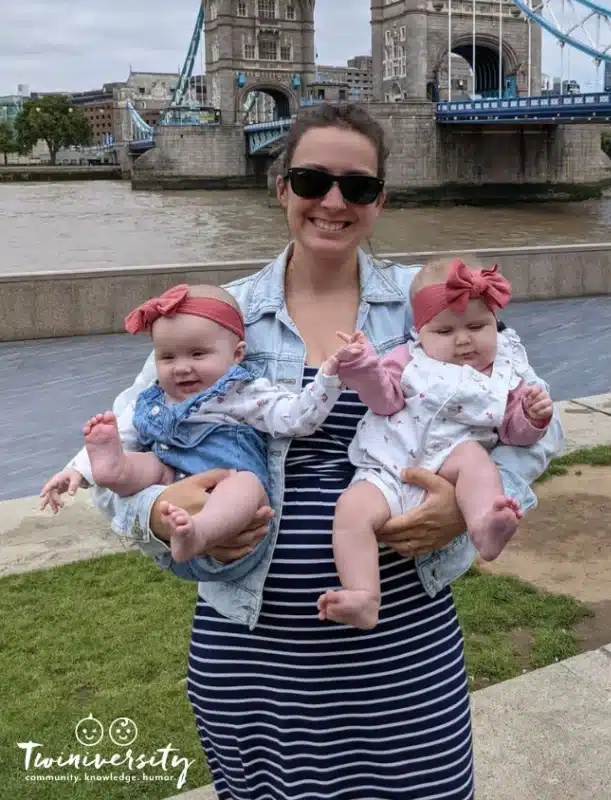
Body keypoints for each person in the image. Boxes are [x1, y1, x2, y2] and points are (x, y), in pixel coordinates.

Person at [62, 103, 564, 800]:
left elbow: (536, 421)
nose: (333, 202)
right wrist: (153, 510)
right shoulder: (214, 315)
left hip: (400, 638)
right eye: (311, 181)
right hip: (251, 644)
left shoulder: (430, 304)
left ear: (380, 201)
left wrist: (465, 505)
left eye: (356, 187)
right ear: (281, 189)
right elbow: (124, 442)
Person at [41, 283, 347, 570]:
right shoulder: (154, 399)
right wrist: (77, 471)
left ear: (237, 354)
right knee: (143, 462)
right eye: (168, 357)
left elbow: (296, 418)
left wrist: (327, 380)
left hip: (227, 495)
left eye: (197, 354)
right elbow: (123, 432)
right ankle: (115, 471)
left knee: (247, 486)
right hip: (169, 478)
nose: (182, 367)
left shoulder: (243, 392)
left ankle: (199, 532)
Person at [318, 256, 554, 630]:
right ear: (420, 331)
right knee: (350, 510)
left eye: (477, 326)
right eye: (445, 332)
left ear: (496, 323)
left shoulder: (508, 371)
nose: (463, 341)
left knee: (476, 461)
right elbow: (384, 400)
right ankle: (364, 594)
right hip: (388, 465)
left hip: (451, 461)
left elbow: (513, 433)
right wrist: (365, 370)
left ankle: (485, 526)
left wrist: (533, 417)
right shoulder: (407, 360)